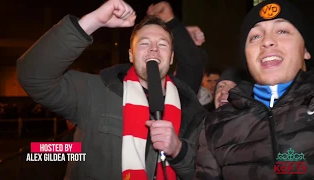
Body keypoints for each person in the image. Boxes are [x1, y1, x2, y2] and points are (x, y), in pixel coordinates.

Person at [17, 0, 207, 179]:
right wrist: (91, 22)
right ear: (131, 55)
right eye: (144, 43)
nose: (153, 49)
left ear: (172, 58)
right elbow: (33, 76)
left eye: (162, 44)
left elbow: (206, 172)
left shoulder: (190, 110)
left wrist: (179, 151)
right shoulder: (96, 91)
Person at [195, 0, 314, 179]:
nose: (267, 41)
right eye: (256, 36)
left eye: (282, 31)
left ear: (305, 49)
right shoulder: (216, 125)